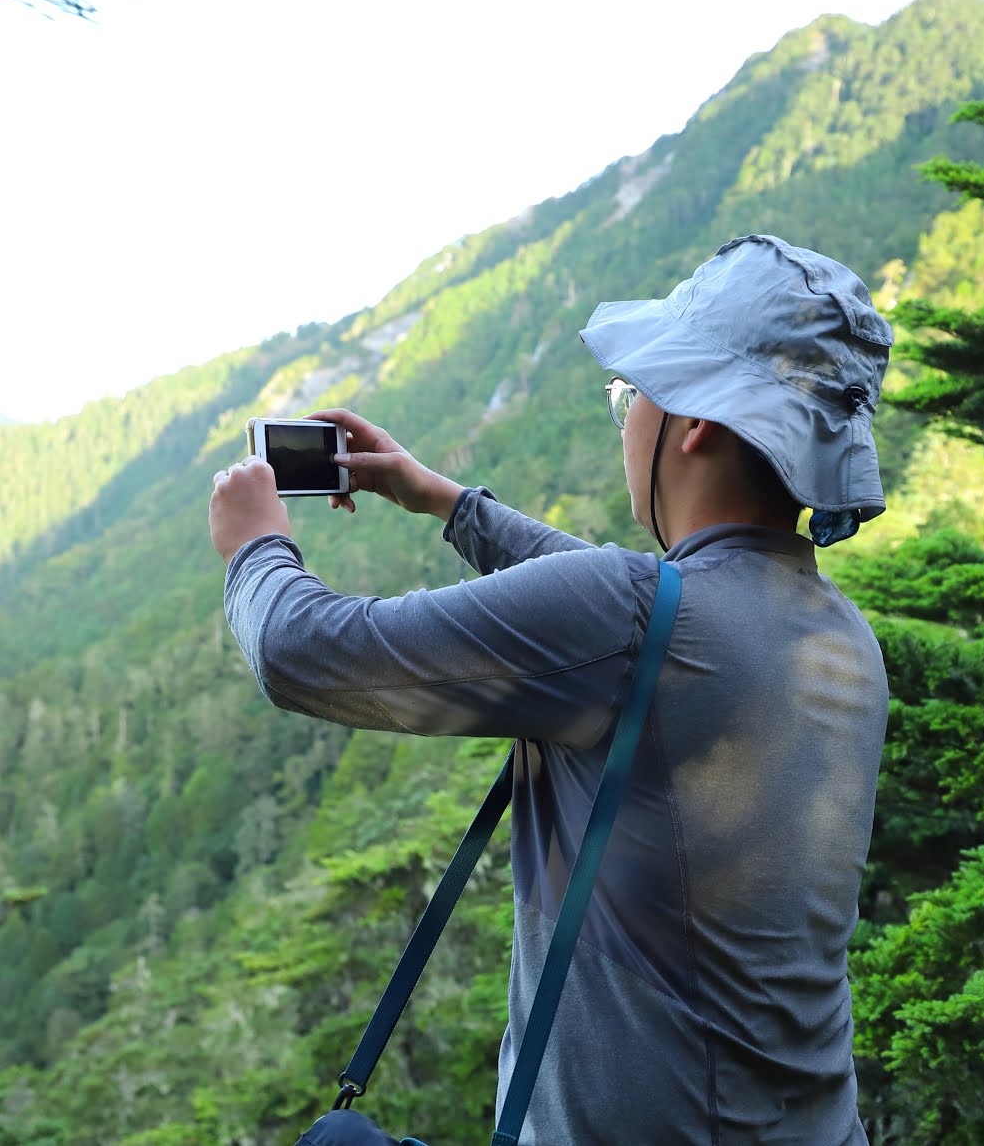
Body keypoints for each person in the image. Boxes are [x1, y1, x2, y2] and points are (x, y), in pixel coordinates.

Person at [208, 234, 895, 1144]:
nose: (627, 417)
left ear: (695, 423)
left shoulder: (631, 619)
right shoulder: (836, 633)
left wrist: (254, 544)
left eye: (631, 395)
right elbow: (635, 614)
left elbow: (297, 652)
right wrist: (446, 502)